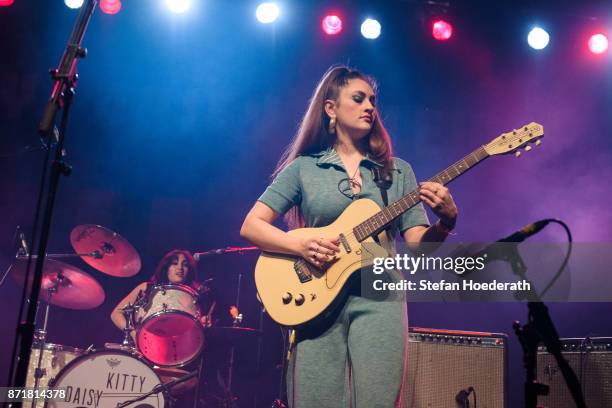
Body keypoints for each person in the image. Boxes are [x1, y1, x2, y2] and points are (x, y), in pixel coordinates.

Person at [240, 65, 458, 407]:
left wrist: (445, 222)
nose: (369, 106)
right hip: (316, 297)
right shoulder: (304, 168)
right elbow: (252, 225)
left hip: (379, 296)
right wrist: (299, 242)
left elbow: (418, 246)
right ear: (331, 108)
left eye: (372, 100)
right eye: (358, 99)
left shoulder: (397, 171)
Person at [110, 249, 212, 338]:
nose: (180, 268)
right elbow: (116, 314)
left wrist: (202, 321)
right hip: (148, 345)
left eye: (185, 265)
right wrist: (133, 333)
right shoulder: (147, 288)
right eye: (174, 263)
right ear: (166, 267)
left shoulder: (195, 295)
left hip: (182, 347)